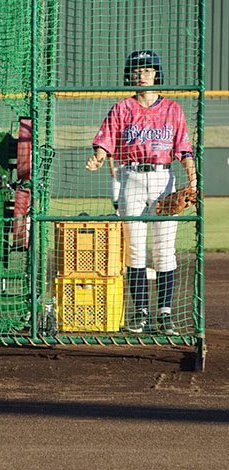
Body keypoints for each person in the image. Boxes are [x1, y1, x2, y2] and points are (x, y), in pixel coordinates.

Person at [85, 50, 197, 335]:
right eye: (136, 70)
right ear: (129, 75)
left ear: (156, 74)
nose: (142, 74)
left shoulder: (173, 109)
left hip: (163, 180)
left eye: (147, 69)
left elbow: (184, 150)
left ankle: (165, 313)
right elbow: (105, 141)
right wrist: (98, 157)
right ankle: (141, 313)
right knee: (134, 248)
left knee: (164, 249)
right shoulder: (122, 108)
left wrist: (193, 180)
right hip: (131, 177)